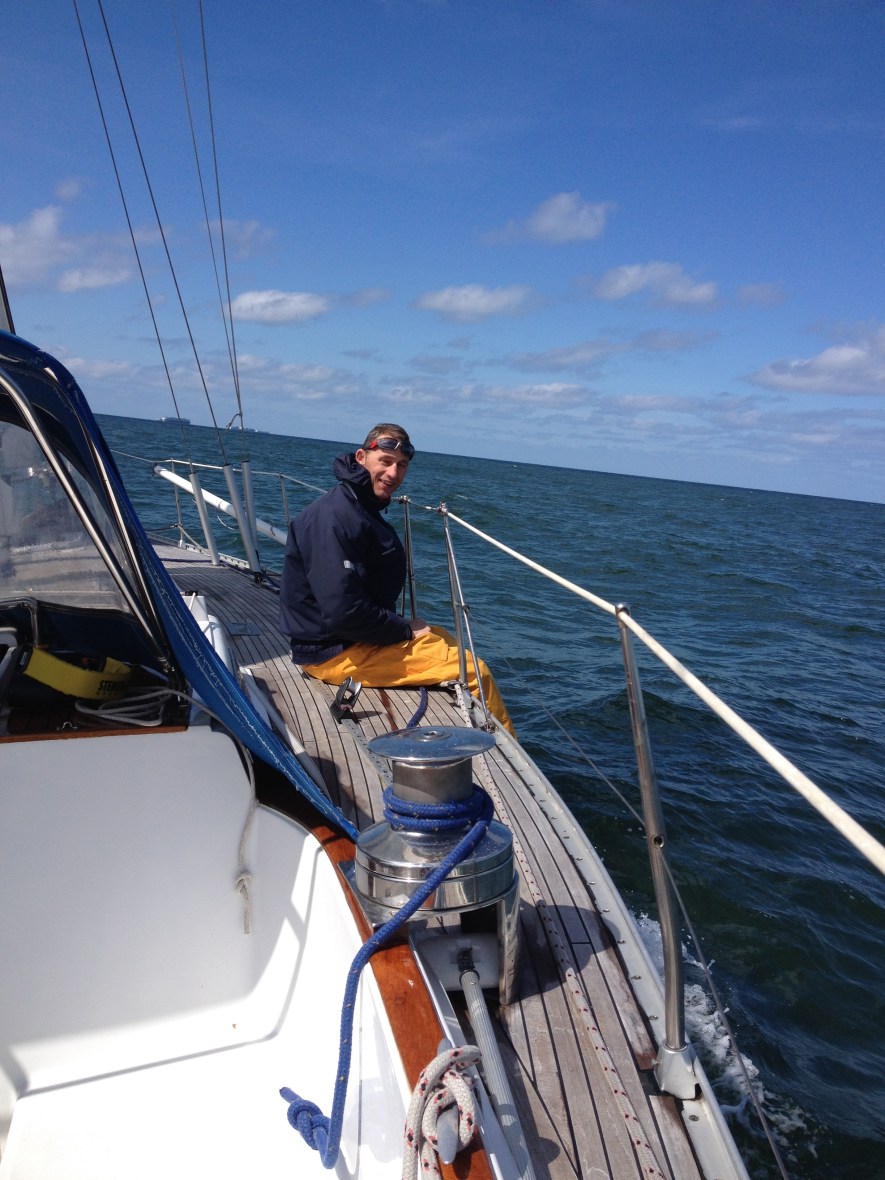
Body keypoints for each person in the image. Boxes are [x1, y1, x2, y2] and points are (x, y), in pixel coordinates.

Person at [279, 423, 515, 735]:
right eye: (386, 461)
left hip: (350, 639)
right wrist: (402, 629)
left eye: (401, 465)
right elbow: (342, 611)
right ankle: (498, 749)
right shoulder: (333, 518)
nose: (393, 473)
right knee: (475, 672)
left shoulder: (356, 506)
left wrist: (400, 628)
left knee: (443, 637)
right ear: (361, 457)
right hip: (333, 653)